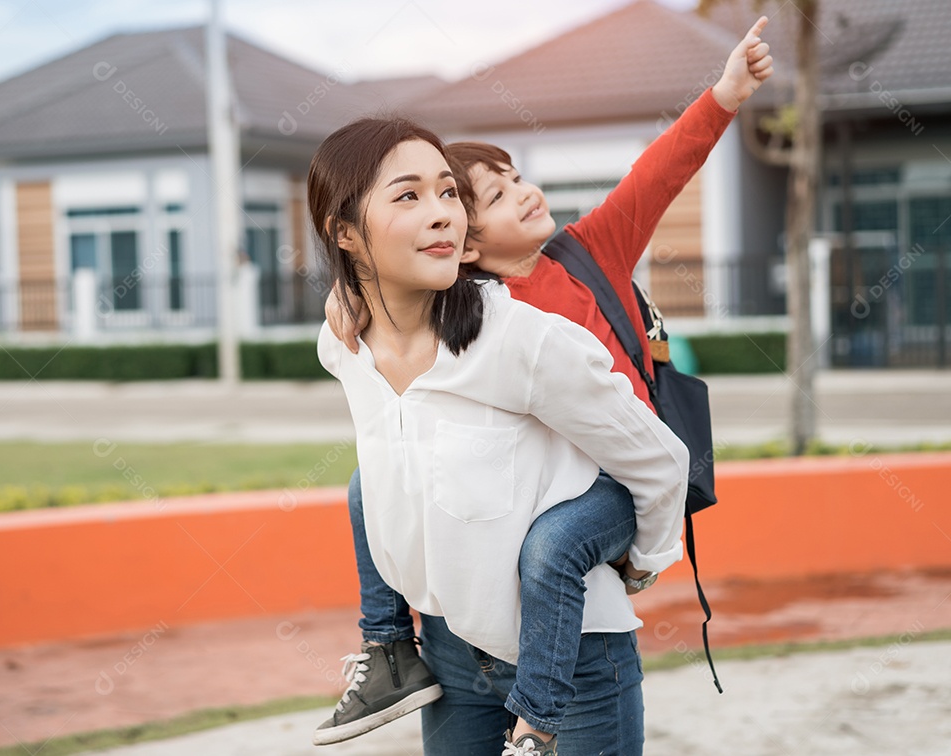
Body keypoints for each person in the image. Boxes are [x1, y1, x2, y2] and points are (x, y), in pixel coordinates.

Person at [316, 16, 775, 755]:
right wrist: (350, 298)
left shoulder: (584, 257)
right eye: (494, 198)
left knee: (551, 549)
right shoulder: (455, 311)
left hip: (609, 480)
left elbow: (657, 173)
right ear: (467, 245)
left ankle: (540, 716)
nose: (523, 196)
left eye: (515, 179)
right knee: (369, 484)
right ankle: (389, 646)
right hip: (467, 627)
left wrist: (723, 95)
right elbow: (388, 293)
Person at [310, 115, 689, 755]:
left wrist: (641, 563)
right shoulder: (343, 346)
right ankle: (386, 652)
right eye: (409, 195)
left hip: (575, 661)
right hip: (450, 659)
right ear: (345, 232)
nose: (441, 215)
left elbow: (660, 460)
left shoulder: (523, 341)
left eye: (448, 193)